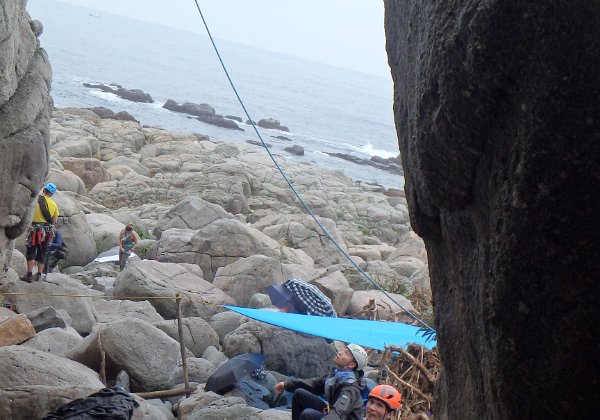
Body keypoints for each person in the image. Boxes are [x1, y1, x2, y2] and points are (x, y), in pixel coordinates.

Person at [274, 343, 368, 420]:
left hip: (339, 416)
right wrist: (286, 385)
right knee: (299, 394)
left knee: (308, 414)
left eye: (346, 354)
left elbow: (339, 413)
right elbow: (314, 384)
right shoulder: (337, 374)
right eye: (343, 350)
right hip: (332, 413)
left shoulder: (350, 387)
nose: (340, 353)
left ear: (351, 365)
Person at [22, 182, 59, 282]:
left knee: (31, 250)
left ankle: (29, 274)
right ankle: (39, 274)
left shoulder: (35, 201)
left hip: (35, 230)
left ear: (44, 190)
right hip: (47, 232)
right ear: (52, 194)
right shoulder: (54, 205)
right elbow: (54, 221)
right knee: (43, 252)